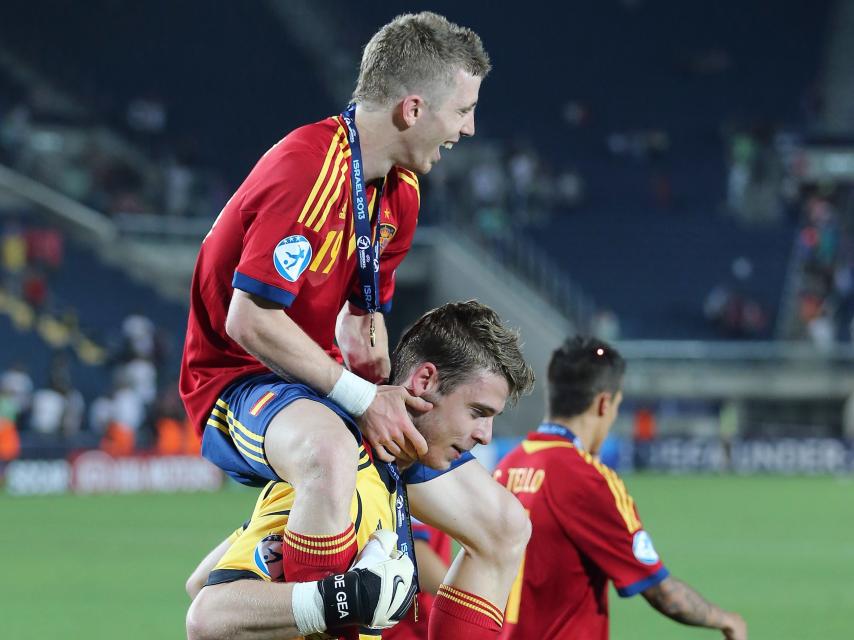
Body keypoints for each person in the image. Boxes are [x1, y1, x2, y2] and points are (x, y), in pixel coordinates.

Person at [179, 11, 532, 639]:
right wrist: (362, 397)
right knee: (328, 451)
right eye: (463, 109)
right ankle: (331, 611)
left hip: (317, 382)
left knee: (503, 524)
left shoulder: (400, 194)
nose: (469, 128)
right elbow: (248, 320)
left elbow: (359, 327)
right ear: (413, 109)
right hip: (238, 380)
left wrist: (389, 386)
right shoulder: (308, 168)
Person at [185, 301, 535, 639]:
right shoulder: (344, 473)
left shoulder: (385, 478)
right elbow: (207, 616)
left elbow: (201, 578)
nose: (485, 437)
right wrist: (348, 597)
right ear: (425, 380)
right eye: (477, 412)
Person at [494, 337, 748, 640]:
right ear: (604, 403)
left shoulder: (507, 466)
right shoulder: (588, 479)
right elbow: (663, 593)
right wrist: (726, 620)